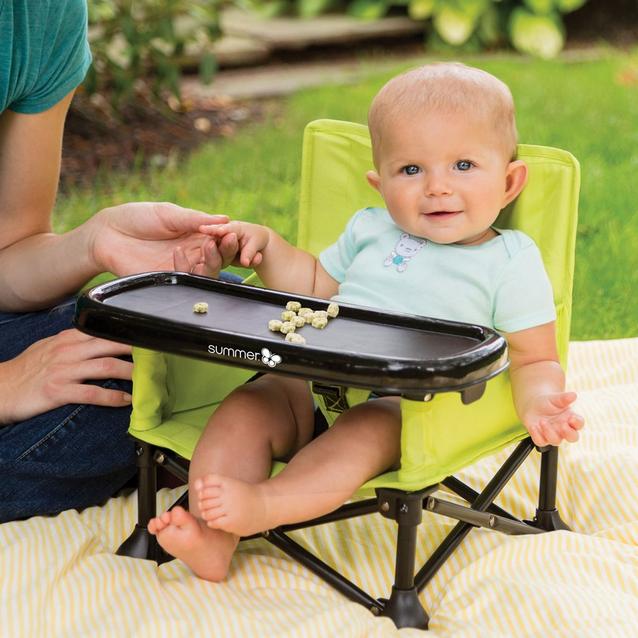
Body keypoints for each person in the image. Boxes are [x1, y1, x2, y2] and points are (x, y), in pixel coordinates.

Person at [147, 62, 585, 581]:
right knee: (247, 405)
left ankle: (264, 506)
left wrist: (538, 403)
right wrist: (267, 249)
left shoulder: (509, 260)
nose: (437, 188)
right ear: (380, 184)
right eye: (411, 170)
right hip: (311, 377)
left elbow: (534, 355)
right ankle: (212, 536)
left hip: (403, 404)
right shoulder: (371, 228)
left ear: (510, 182)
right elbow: (313, 284)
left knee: (362, 431)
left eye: (464, 166)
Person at [0, 0, 235, 522]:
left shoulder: (40, 14)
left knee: (212, 329)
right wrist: (9, 385)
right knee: (121, 404)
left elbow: (8, 251)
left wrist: (94, 241)